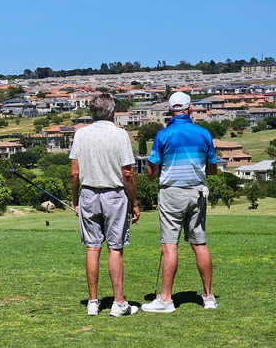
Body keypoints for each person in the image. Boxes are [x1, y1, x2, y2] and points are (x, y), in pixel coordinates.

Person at [143, 92, 217, 313]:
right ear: (190, 109)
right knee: (199, 243)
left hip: (172, 193)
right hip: (197, 192)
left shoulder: (163, 135)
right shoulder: (204, 134)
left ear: (169, 110)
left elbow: (153, 171)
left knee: (169, 245)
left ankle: (166, 299)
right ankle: (208, 297)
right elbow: (212, 169)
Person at [70, 93, 140, 317]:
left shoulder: (80, 134)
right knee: (115, 248)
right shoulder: (120, 134)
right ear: (111, 112)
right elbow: (128, 173)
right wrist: (135, 202)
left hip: (88, 194)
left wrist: (75, 201)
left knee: (92, 248)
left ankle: (93, 302)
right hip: (114, 194)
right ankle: (118, 303)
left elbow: (74, 173)